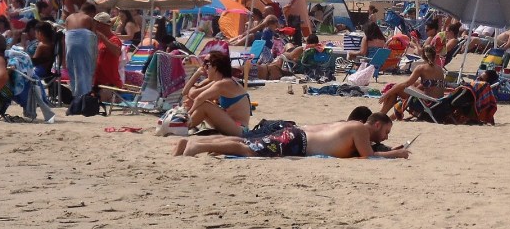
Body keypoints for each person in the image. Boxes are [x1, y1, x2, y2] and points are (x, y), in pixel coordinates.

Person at [173, 111, 407, 159]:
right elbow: (369, 156)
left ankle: (196, 141)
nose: (386, 138)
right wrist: (397, 154)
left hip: (295, 134)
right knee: (249, 149)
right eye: (386, 131)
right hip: (298, 142)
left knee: (248, 142)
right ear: (376, 125)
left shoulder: (349, 124)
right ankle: (198, 147)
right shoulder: (360, 130)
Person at [182, 51, 251, 136]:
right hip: (233, 124)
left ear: (215, 67)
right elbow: (186, 93)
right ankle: (184, 126)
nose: (204, 68)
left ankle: (183, 126)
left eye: (207, 65)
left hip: (240, 128)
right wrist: (197, 74)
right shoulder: (222, 82)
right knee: (200, 103)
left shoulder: (224, 83)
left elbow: (198, 97)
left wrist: (188, 113)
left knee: (204, 105)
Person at [378, 45, 446, 119]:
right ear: (434, 55)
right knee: (412, 85)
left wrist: (387, 94)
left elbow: (406, 84)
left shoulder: (421, 68)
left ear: (423, 56)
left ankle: (380, 115)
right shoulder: (440, 69)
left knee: (395, 90)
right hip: (438, 104)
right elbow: (430, 84)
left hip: (428, 104)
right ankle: (391, 116)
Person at [65, 1, 98, 97]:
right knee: (85, 70)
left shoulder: (69, 18)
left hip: (70, 43)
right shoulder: (89, 19)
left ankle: (75, 95)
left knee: (73, 69)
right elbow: (93, 36)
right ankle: (84, 95)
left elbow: (66, 34)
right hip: (83, 42)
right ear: (91, 12)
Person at [92, 12, 123, 99]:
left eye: (96, 24)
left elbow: (117, 52)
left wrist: (102, 37)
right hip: (98, 81)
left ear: (101, 24)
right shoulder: (98, 39)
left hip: (109, 82)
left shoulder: (114, 39)